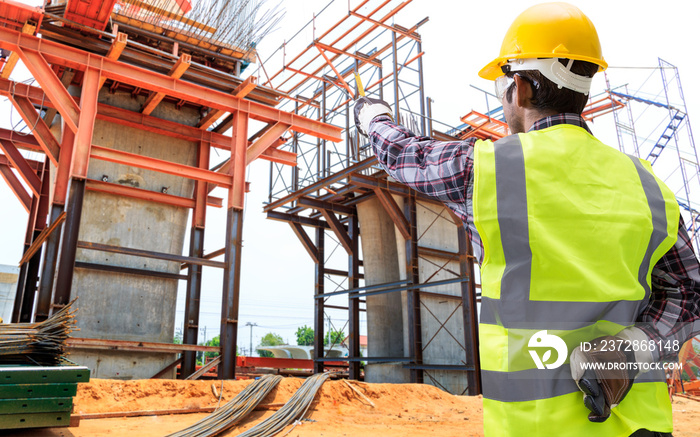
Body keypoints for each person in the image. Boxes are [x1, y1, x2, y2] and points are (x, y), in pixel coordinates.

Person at [353, 3, 700, 436]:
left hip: (536, 427)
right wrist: (629, 351)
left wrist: (372, 116)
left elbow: (403, 154)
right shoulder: (648, 184)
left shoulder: (488, 169)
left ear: (520, 88)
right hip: (641, 426)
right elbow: (690, 293)